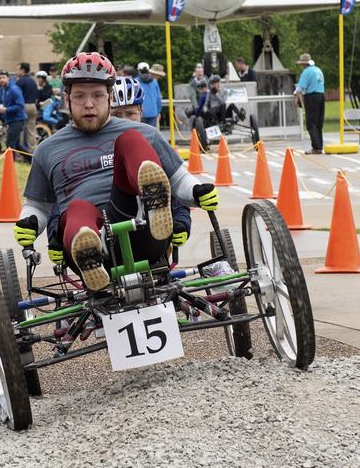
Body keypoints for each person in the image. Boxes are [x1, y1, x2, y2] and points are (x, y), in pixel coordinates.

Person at [14, 52, 217, 291]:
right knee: (77, 209)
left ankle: (154, 202)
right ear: (66, 99)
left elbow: (179, 179)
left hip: (140, 229)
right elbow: (38, 206)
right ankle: (89, 252)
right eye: (80, 96)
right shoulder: (47, 149)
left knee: (131, 139)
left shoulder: (146, 133)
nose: (89, 104)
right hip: (84, 241)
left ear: (110, 97)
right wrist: (29, 223)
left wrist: (196, 191)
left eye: (97, 95)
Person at [110, 76, 191, 250]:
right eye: (117, 115)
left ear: (140, 111)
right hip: (110, 228)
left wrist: (181, 223)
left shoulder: (153, 137)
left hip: (150, 232)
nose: (124, 121)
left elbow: (175, 188)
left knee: (160, 181)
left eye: (130, 114)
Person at [0, 69, 27, 158]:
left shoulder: (14, 89)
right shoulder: (2, 90)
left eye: (3, 77)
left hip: (18, 120)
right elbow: (0, 106)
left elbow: (20, 105)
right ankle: (32, 160)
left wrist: (7, 110)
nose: (1, 80)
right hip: (11, 120)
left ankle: (11, 164)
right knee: (17, 145)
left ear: (8, 78)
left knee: (10, 143)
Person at [294, 52, 325, 154]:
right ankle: (319, 146)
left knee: (311, 123)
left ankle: (316, 148)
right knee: (318, 123)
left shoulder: (306, 72)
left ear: (304, 64)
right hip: (321, 96)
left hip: (311, 97)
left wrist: (297, 98)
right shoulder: (318, 70)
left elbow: (300, 87)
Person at [16, 62, 39, 150]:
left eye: (18, 70)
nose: (17, 72)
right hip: (33, 106)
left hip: (23, 106)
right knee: (31, 130)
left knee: (21, 130)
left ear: (23, 70)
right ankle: (32, 150)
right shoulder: (33, 81)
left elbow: (16, 95)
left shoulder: (20, 81)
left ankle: (21, 151)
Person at [137, 62, 164, 128]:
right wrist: (158, 111)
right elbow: (158, 98)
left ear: (138, 70)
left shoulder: (135, 81)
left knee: (141, 132)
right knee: (151, 132)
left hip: (140, 112)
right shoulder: (154, 82)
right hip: (153, 112)